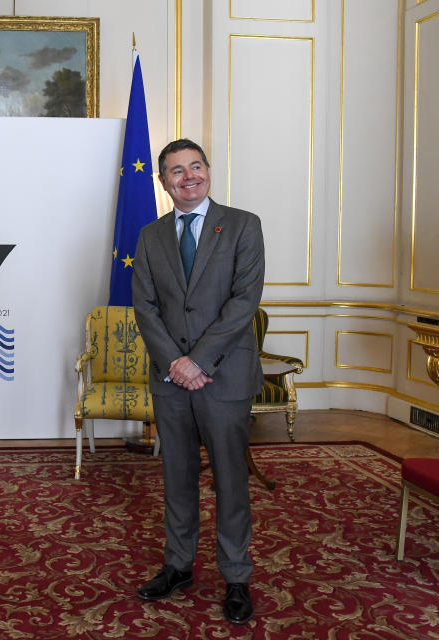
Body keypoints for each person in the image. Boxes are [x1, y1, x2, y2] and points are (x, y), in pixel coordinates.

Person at [131, 139, 265, 625]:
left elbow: (243, 302)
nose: (188, 176)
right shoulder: (150, 236)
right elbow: (144, 308)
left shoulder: (244, 225)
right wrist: (175, 363)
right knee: (178, 477)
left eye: (195, 166)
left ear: (208, 171)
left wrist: (199, 361)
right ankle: (178, 565)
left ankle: (235, 575)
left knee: (231, 479)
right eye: (176, 170)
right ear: (163, 182)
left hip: (222, 377)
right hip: (171, 380)